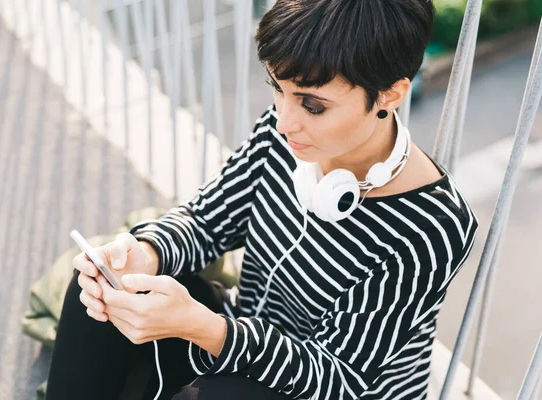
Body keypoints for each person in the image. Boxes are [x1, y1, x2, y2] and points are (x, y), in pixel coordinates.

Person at [46, 0, 479, 399]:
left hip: (328, 385)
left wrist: (207, 329)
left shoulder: (433, 225)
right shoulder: (285, 132)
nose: (285, 121)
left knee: (231, 393)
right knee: (102, 294)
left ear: (390, 94)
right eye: (277, 88)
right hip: (244, 338)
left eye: (313, 106)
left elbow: (339, 376)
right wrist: (147, 253)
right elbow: (207, 220)